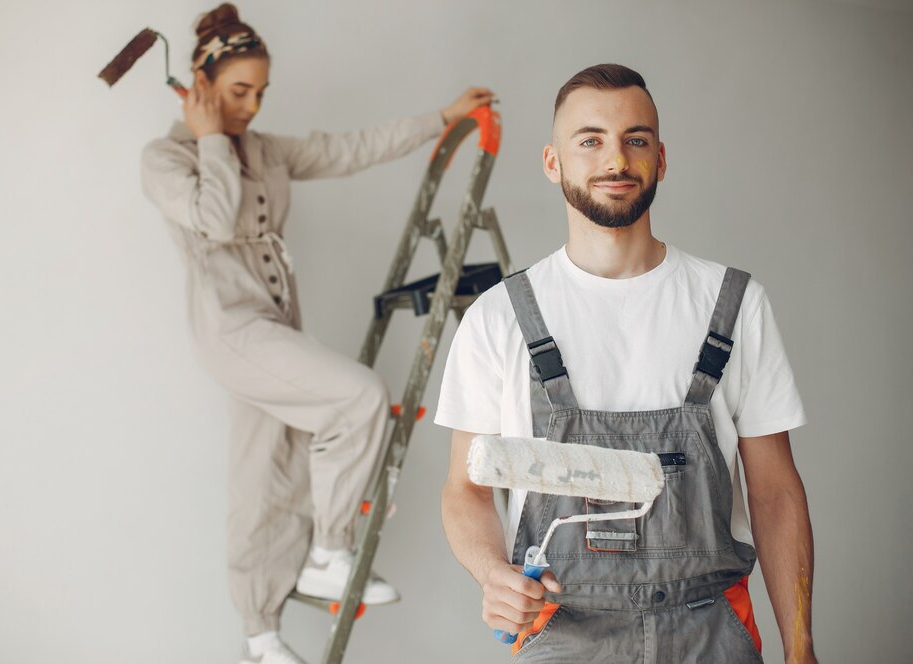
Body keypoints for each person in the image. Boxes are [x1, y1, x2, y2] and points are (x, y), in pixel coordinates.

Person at [139, 4, 493, 663]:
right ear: (200, 80)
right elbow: (215, 221)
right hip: (232, 334)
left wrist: (440, 119)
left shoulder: (266, 150)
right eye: (239, 91)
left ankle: (260, 635)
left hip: (272, 329)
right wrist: (211, 137)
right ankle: (329, 551)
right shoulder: (165, 158)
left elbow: (347, 150)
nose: (251, 106)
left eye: (260, 92)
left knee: (263, 474)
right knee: (358, 398)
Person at [436, 64, 816, 663]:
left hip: (711, 631)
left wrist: (800, 647)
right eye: (590, 141)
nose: (616, 159)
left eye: (635, 140)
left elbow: (774, 491)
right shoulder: (499, 317)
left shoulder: (734, 305)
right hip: (563, 631)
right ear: (552, 162)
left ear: (660, 159)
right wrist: (492, 574)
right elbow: (465, 489)